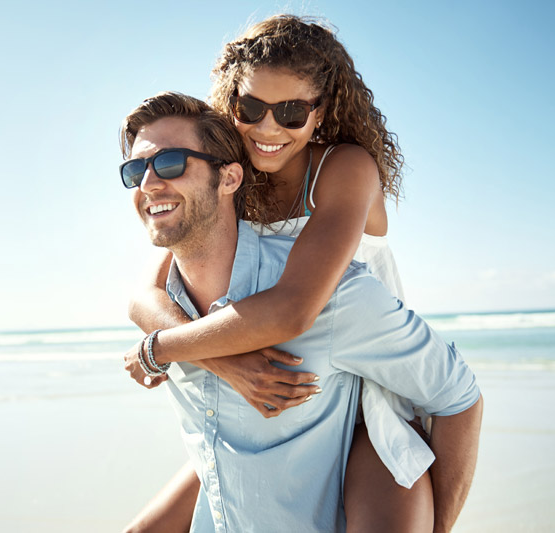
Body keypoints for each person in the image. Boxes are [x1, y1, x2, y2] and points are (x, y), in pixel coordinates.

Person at [124, 14, 456, 533]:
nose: (268, 128)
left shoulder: (343, 167)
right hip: (277, 379)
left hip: (368, 383)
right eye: (250, 108)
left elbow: (295, 308)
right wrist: (226, 365)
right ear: (231, 102)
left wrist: (160, 350)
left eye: (291, 111)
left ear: (321, 112)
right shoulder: (232, 174)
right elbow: (144, 295)